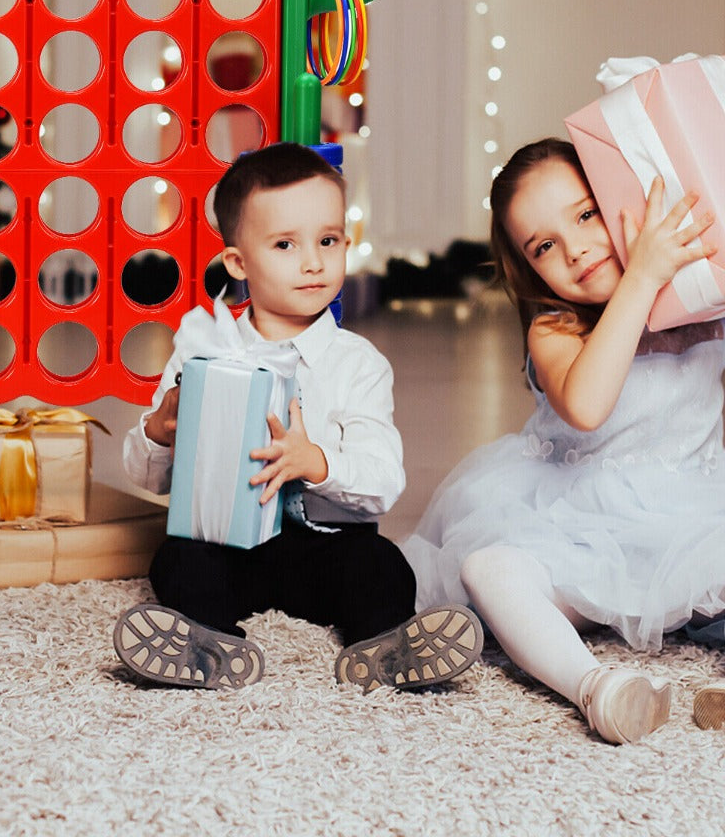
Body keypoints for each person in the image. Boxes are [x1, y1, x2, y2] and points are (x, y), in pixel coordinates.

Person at [113, 142, 482, 691]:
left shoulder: (357, 364)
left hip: (325, 546)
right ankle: (209, 645)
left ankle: (383, 649)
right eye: (285, 244)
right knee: (177, 561)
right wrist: (159, 433)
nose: (313, 261)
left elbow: (384, 481)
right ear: (238, 262)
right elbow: (148, 478)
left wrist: (316, 462)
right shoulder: (202, 345)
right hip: (232, 546)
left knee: (383, 565)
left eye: (328, 241)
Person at [402, 137, 725, 743]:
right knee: (489, 569)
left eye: (587, 214)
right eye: (544, 246)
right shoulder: (553, 328)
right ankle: (597, 689)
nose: (575, 249)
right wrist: (642, 276)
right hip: (576, 523)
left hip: (691, 518)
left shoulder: (700, 306)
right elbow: (585, 404)